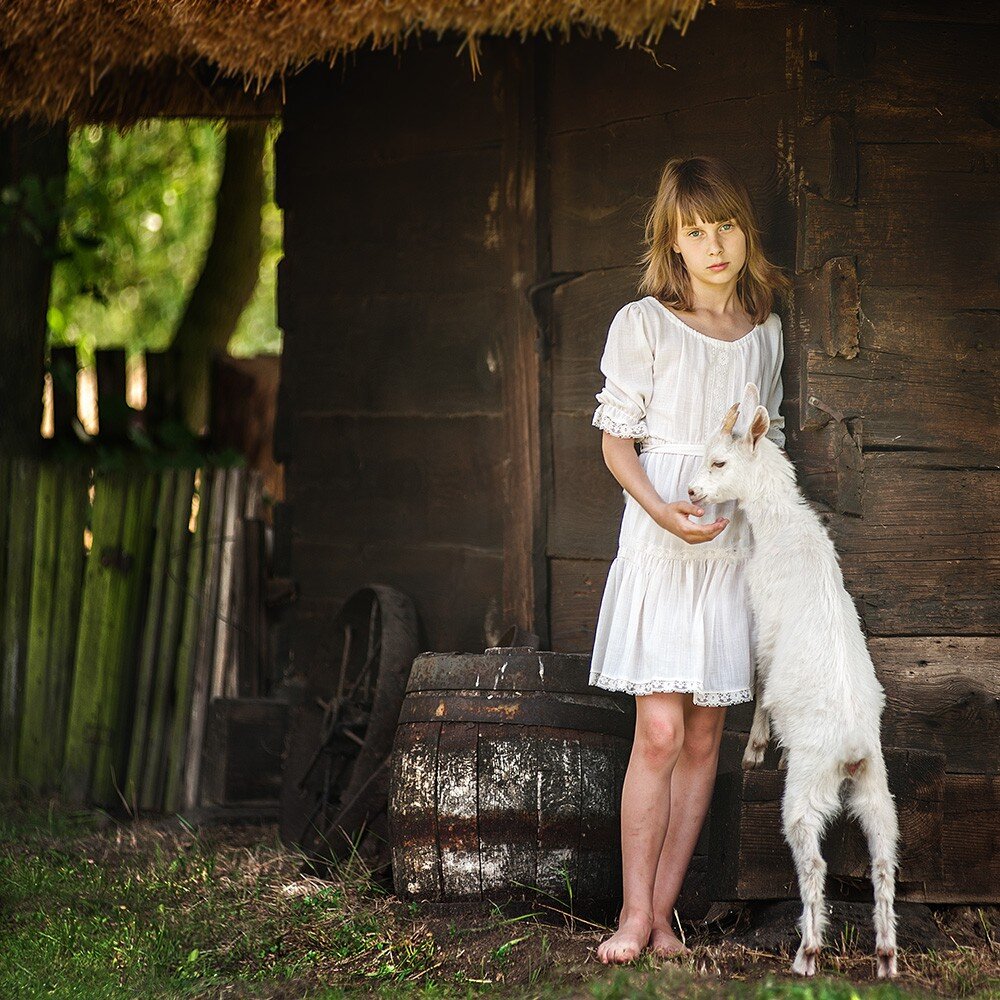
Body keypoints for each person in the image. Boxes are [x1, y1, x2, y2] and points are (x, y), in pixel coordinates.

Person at [589, 155, 792, 964]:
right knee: (663, 732)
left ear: (745, 230)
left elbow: (754, 440)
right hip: (661, 540)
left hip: (725, 547)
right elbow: (616, 443)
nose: (715, 246)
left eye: (726, 226)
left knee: (707, 738)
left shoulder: (764, 335)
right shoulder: (642, 323)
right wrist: (663, 514)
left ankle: (666, 916)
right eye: (695, 233)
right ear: (672, 245)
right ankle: (633, 914)